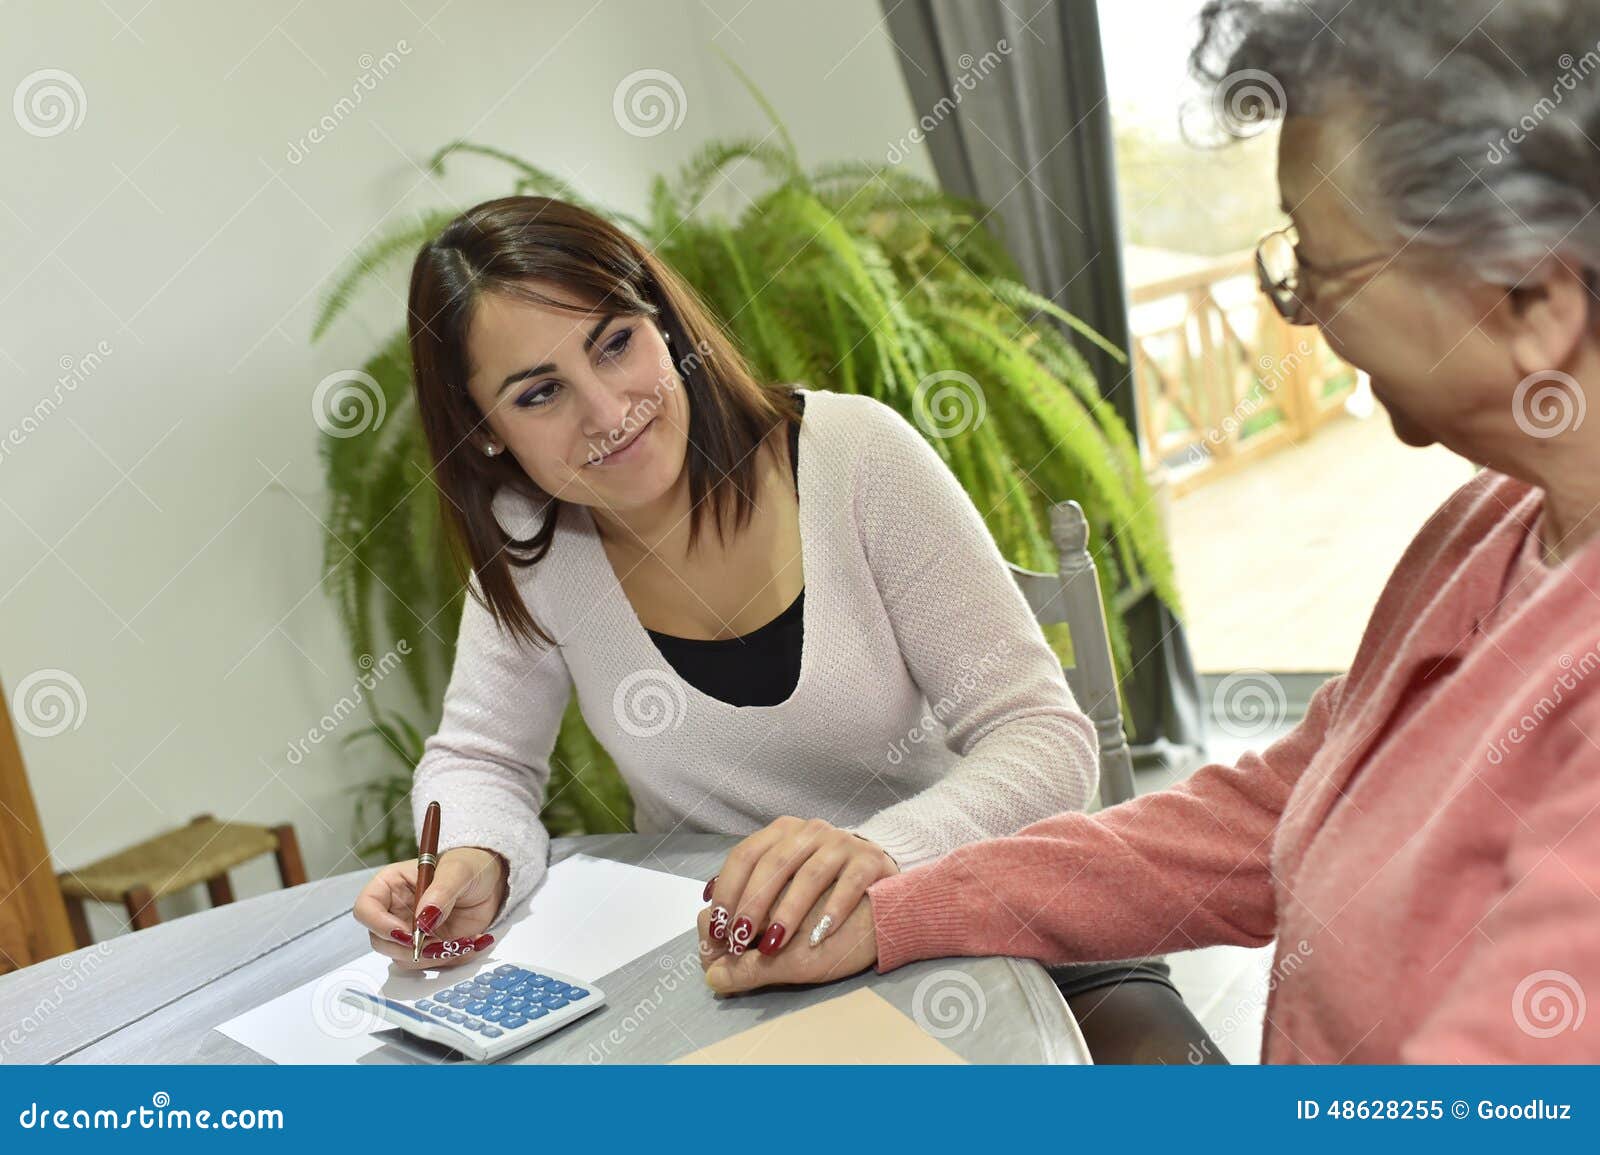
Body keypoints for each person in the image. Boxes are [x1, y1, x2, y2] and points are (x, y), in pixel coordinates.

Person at [702, 0, 1600, 1063]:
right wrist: (895, 910)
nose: (1297, 310)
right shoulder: (1485, 523)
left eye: (1319, 271)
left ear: (1533, 297)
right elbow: (1273, 811)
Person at [348, 194, 1215, 1059]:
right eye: (540, 393)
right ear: (485, 431)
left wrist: (877, 854)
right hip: (753, 992)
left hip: (1006, 925)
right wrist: (474, 857)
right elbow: (482, 758)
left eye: (616, 341)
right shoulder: (531, 546)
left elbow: (1045, 737)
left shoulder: (855, 455)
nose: (608, 411)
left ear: (665, 324)